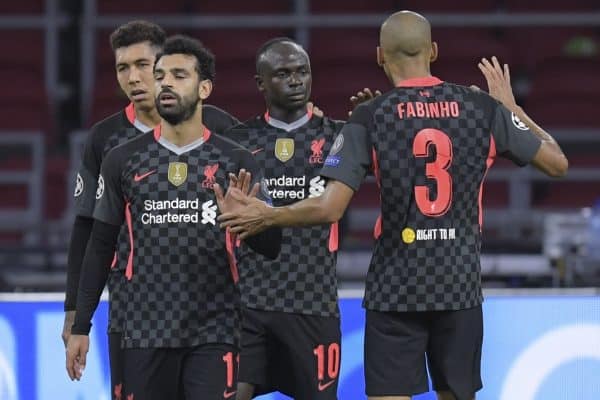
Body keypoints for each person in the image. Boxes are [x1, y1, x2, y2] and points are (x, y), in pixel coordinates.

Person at [218, 10, 568, 400]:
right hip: (460, 286)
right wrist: (512, 109)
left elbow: (330, 208)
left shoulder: (372, 115)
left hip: (395, 289)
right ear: (433, 50)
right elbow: (557, 163)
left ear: (380, 57)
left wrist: (270, 214)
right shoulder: (480, 107)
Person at [65, 35, 281, 400]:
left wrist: (249, 222)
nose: (165, 83)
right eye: (161, 75)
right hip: (144, 329)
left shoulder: (237, 160)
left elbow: (272, 247)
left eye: (179, 75)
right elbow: (100, 246)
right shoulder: (122, 159)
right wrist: (80, 324)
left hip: (216, 329)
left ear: (205, 88)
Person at [222, 38, 344, 400]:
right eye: (283, 74)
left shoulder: (338, 137)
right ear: (261, 83)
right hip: (248, 306)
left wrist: (370, 124)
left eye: (302, 72)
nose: (295, 80)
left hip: (313, 304)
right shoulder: (237, 142)